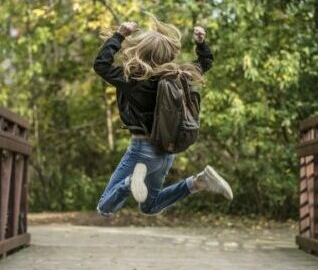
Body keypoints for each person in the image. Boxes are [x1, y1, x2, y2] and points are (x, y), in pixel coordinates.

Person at [93, 15, 233, 217]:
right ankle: (198, 182)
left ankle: (130, 182)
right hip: (166, 151)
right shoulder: (179, 76)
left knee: (104, 207)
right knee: (150, 207)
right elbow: (205, 63)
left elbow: (101, 65)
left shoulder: (133, 80)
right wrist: (201, 44)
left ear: (141, 51)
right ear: (167, 54)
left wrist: (120, 35)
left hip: (142, 150)